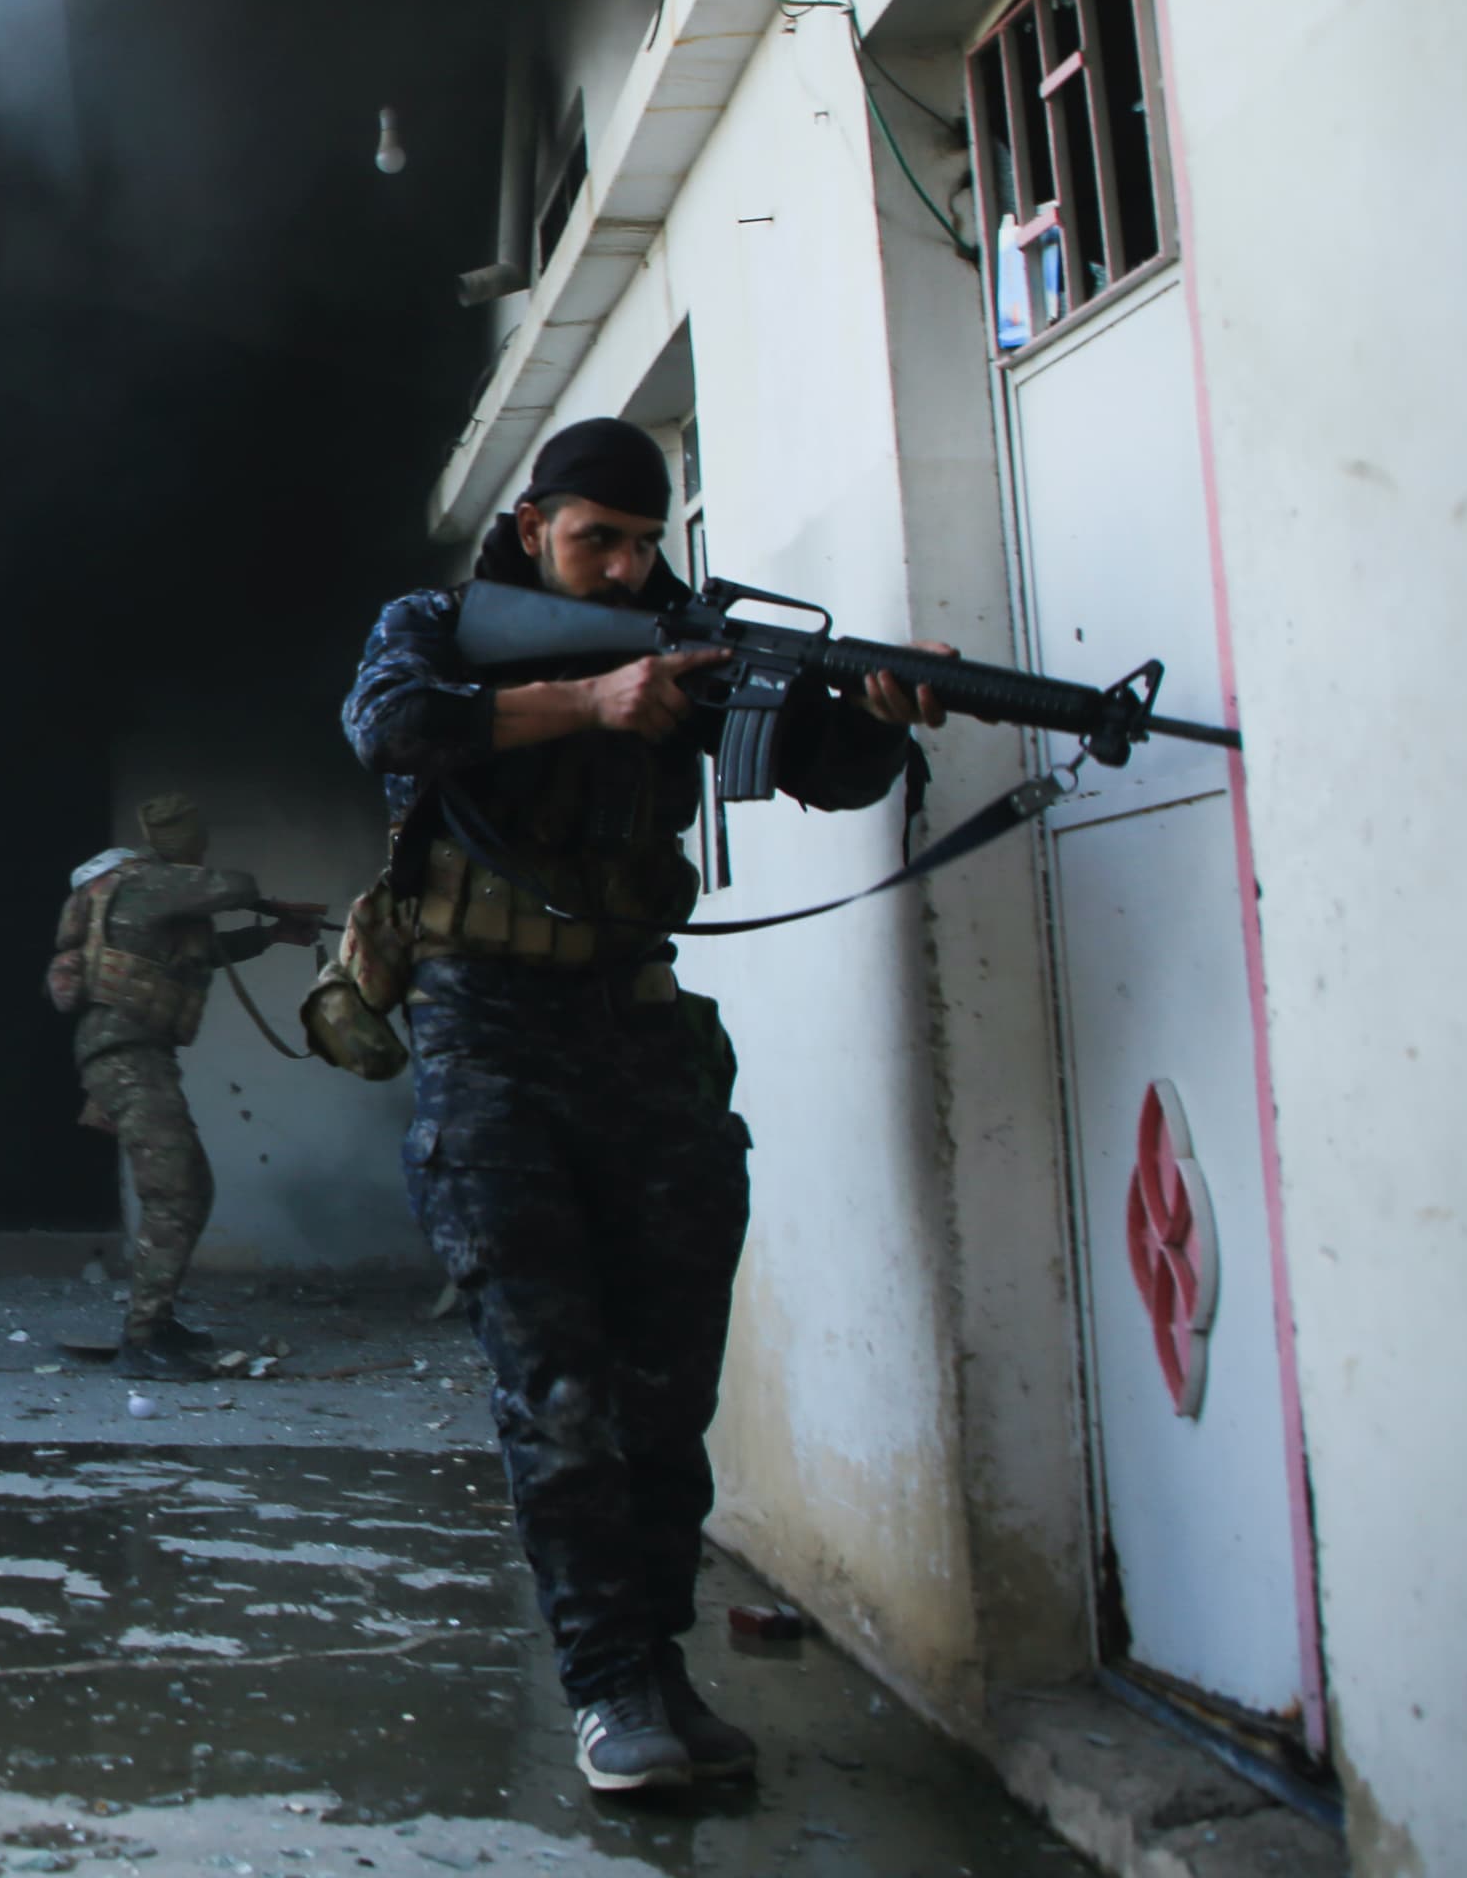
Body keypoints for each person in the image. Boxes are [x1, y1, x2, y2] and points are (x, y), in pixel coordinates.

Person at [339, 417, 949, 1793]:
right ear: (533, 524)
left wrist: (877, 718)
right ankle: (607, 1683)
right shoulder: (438, 625)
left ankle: (660, 1662)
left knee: (666, 1389)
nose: (621, 568)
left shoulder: (690, 640)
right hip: (484, 1038)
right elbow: (391, 726)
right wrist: (595, 701)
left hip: (639, 1032)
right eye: (593, 538)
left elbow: (818, 768)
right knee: (554, 1387)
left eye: (639, 542)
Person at [54, 794, 320, 1381]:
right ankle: (142, 1340)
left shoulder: (142, 902)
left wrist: (273, 934)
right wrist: (262, 901)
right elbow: (232, 884)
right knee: (174, 1194)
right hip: (126, 1057)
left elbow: (202, 955)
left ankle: (159, 1321)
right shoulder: (145, 884)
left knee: (191, 1188)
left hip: (138, 1056)